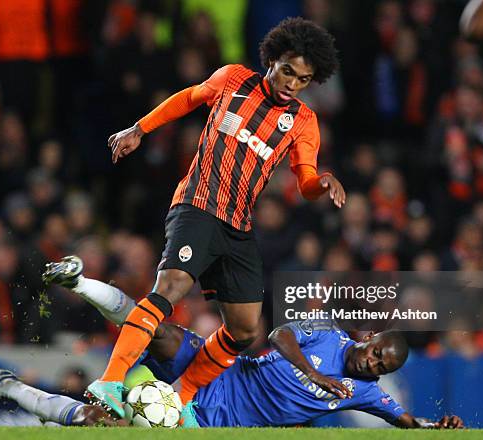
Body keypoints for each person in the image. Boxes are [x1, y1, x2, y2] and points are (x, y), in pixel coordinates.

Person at [90, 17, 346, 417]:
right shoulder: (232, 80)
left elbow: (305, 179)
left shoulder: (304, 122)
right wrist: (139, 129)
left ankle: (182, 397)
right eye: (288, 72)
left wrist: (323, 183)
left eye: (303, 79)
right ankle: (109, 381)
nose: (292, 83)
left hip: (238, 226)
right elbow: (187, 98)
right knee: (171, 285)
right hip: (197, 205)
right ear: (272, 62)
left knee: (245, 329)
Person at [0, 261, 463, 429]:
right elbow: (281, 334)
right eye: (378, 352)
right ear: (370, 338)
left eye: (381, 366)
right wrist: (316, 373)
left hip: (212, 418)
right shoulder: (326, 334)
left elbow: (403, 423)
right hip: (210, 366)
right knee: (158, 327)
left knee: (100, 426)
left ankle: (11, 388)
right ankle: (80, 282)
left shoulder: (365, 392)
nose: (374, 363)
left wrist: (435, 427)